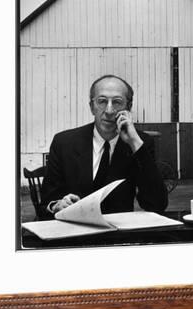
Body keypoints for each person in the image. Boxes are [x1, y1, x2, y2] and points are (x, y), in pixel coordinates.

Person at [40, 75, 167, 218]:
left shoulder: (140, 142)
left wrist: (135, 143)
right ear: (91, 107)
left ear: (129, 108)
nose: (109, 110)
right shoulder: (64, 142)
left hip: (118, 233)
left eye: (117, 102)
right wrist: (57, 205)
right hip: (74, 230)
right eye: (102, 101)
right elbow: (46, 203)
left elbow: (157, 204)